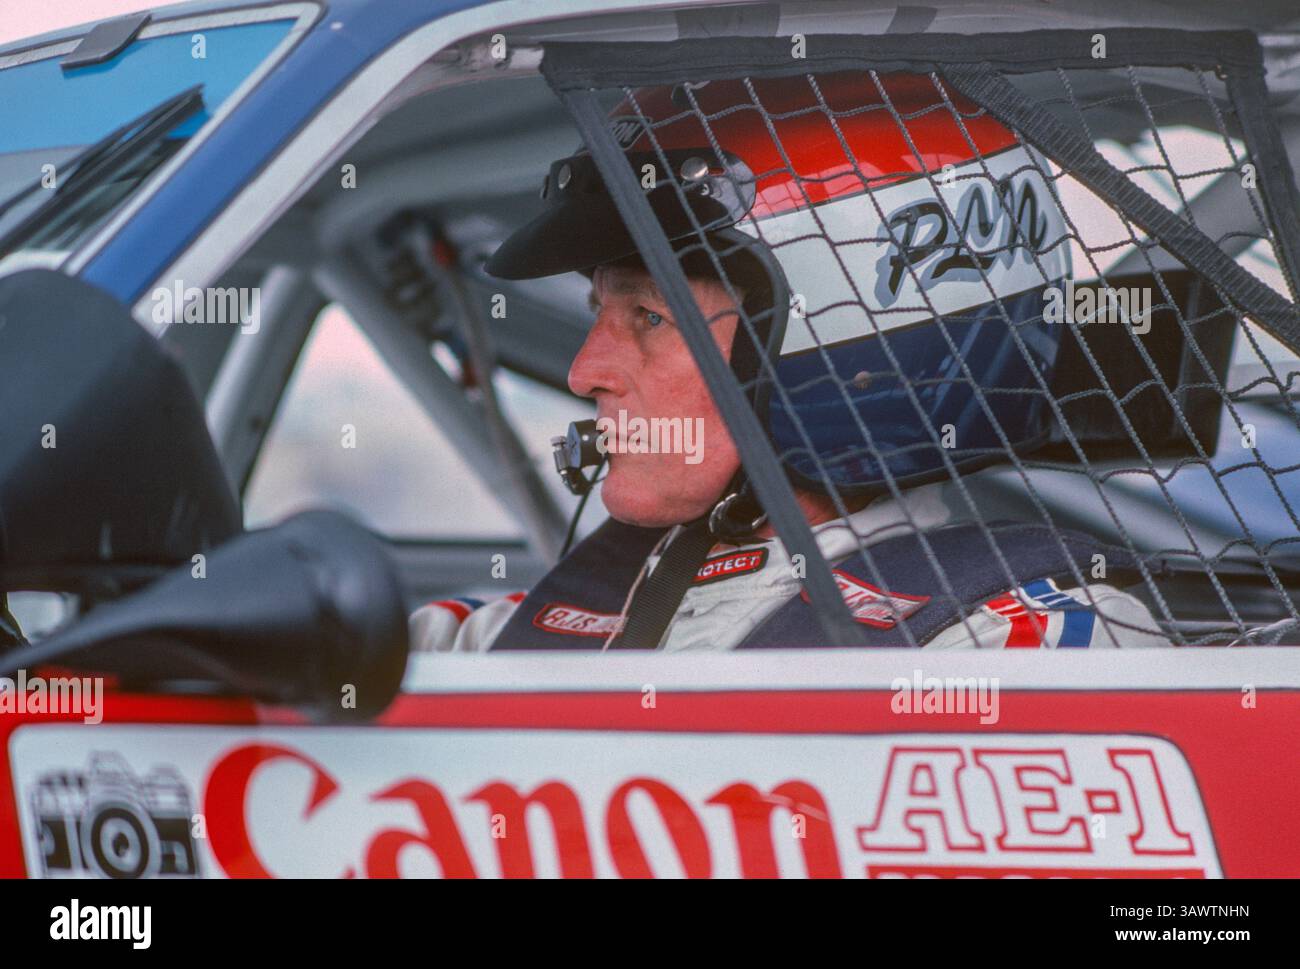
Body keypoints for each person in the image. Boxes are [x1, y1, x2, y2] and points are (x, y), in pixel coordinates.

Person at [410, 71, 1169, 652]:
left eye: (650, 316)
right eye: (596, 312)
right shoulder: (558, 614)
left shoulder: (1017, 648)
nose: (584, 372)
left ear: (856, 347)